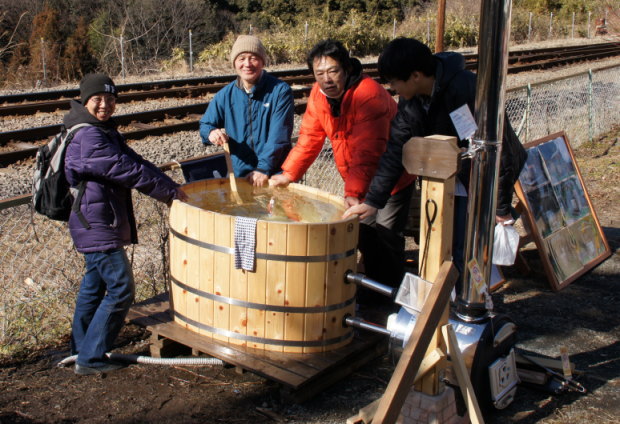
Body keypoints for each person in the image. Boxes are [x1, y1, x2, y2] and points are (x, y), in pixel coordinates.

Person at [354, 37, 527, 282]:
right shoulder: (411, 100)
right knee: (440, 247)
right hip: (444, 183)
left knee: (464, 249)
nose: (393, 90)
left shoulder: (465, 89)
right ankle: (452, 301)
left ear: (415, 75)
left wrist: (498, 204)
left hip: (476, 180)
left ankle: (472, 306)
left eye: (394, 82)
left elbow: (501, 151)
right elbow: (395, 150)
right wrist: (373, 201)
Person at [64, 73, 187, 375]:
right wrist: (170, 195)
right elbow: (126, 170)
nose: (105, 104)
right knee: (121, 287)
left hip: (96, 219)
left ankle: (81, 348)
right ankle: (90, 358)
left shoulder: (102, 130)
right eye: (98, 99)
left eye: (110, 98)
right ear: (85, 100)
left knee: (94, 285)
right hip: (95, 222)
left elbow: (138, 162)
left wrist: (174, 188)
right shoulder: (89, 136)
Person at [270, 39, 416, 288]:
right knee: (366, 234)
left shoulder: (368, 95)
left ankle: (391, 295)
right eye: (320, 73)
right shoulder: (318, 94)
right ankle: (374, 286)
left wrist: (353, 193)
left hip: (392, 178)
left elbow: (367, 152)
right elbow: (310, 138)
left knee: (387, 234)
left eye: (333, 71)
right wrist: (288, 173)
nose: (326, 79)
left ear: (347, 69)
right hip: (359, 179)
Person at [199, 35, 295, 186]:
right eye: (241, 58)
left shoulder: (280, 91)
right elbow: (205, 124)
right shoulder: (226, 94)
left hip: (275, 174)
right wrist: (211, 132)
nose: (247, 64)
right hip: (240, 175)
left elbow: (279, 137)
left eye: (253, 58)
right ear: (234, 63)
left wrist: (263, 169)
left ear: (263, 61)